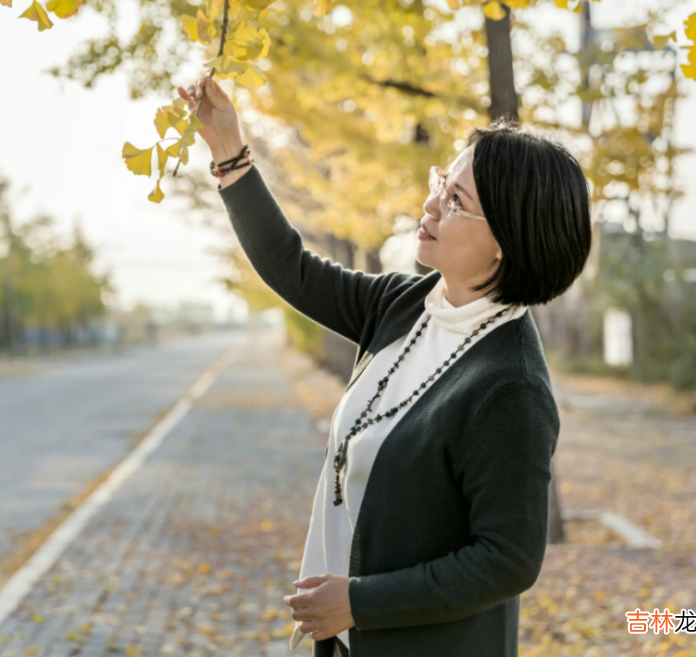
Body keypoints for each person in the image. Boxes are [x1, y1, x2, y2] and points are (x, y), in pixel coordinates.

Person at [178, 77, 592, 657]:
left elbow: (508, 560)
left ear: (506, 241)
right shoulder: (405, 304)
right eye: (442, 183)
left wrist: (359, 602)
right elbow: (289, 267)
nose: (430, 205)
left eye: (456, 202)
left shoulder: (510, 385)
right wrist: (229, 150)